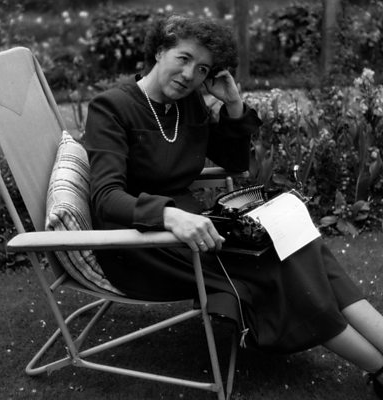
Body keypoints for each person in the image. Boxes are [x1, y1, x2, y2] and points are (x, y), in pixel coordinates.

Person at [84, 14, 383, 398]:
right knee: (279, 263)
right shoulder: (112, 107)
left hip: (197, 228)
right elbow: (106, 197)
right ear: (159, 51)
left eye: (202, 68)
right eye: (183, 58)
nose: (190, 74)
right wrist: (169, 215)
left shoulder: (187, 104)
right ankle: (378, 367)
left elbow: (234, 161)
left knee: (302, 243)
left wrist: (234, 104)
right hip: (141, 242)